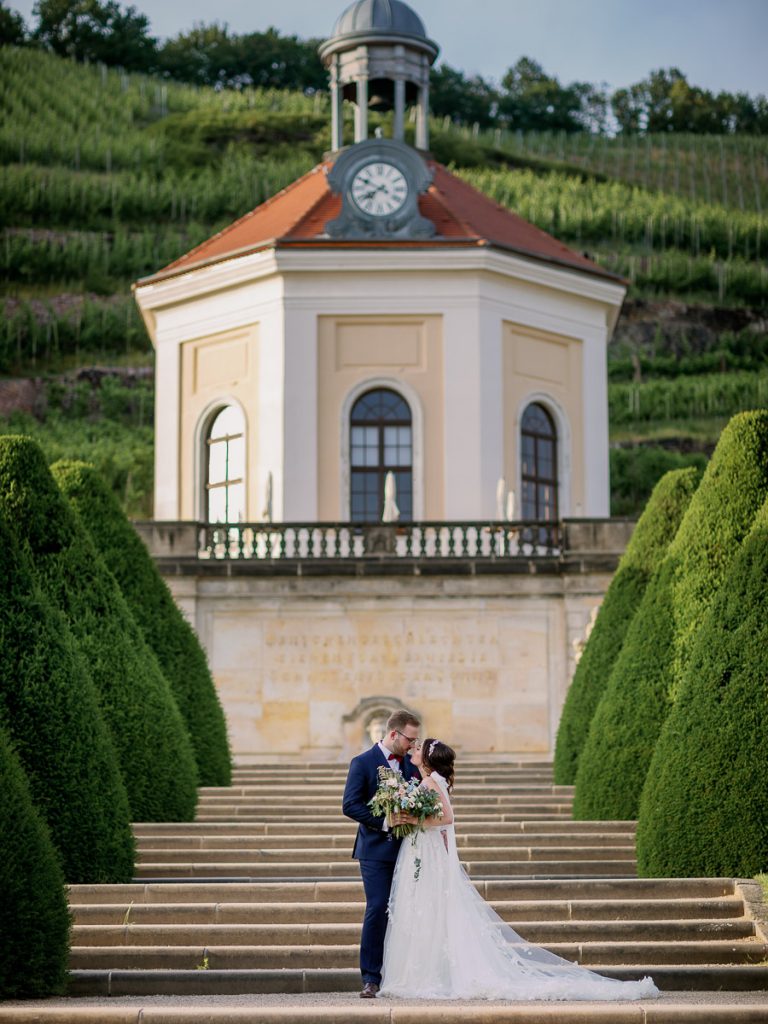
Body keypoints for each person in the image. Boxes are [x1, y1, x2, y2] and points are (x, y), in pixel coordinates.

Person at [379, 739, 661, 1002]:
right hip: (425, 852)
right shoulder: (430, 780)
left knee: (428, 907)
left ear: (426, 760)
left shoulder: (429, 781)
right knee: (429, 909)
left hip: (426, 852)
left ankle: (427, 975)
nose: (413, 751)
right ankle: (430, 971)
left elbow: (447, 818)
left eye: (418, 749)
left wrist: (413, 820)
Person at [342, 709, 422, 999]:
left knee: (411, 910)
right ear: (393, 734)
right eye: (410, 739)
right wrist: (385, 821)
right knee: (377, 908)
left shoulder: (413, 764)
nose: (414, 745)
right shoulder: (362, 763)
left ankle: (407, 974)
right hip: (375, 851)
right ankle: (371, 978)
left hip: (410, 850)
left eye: (416, 740)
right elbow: (350, 805)